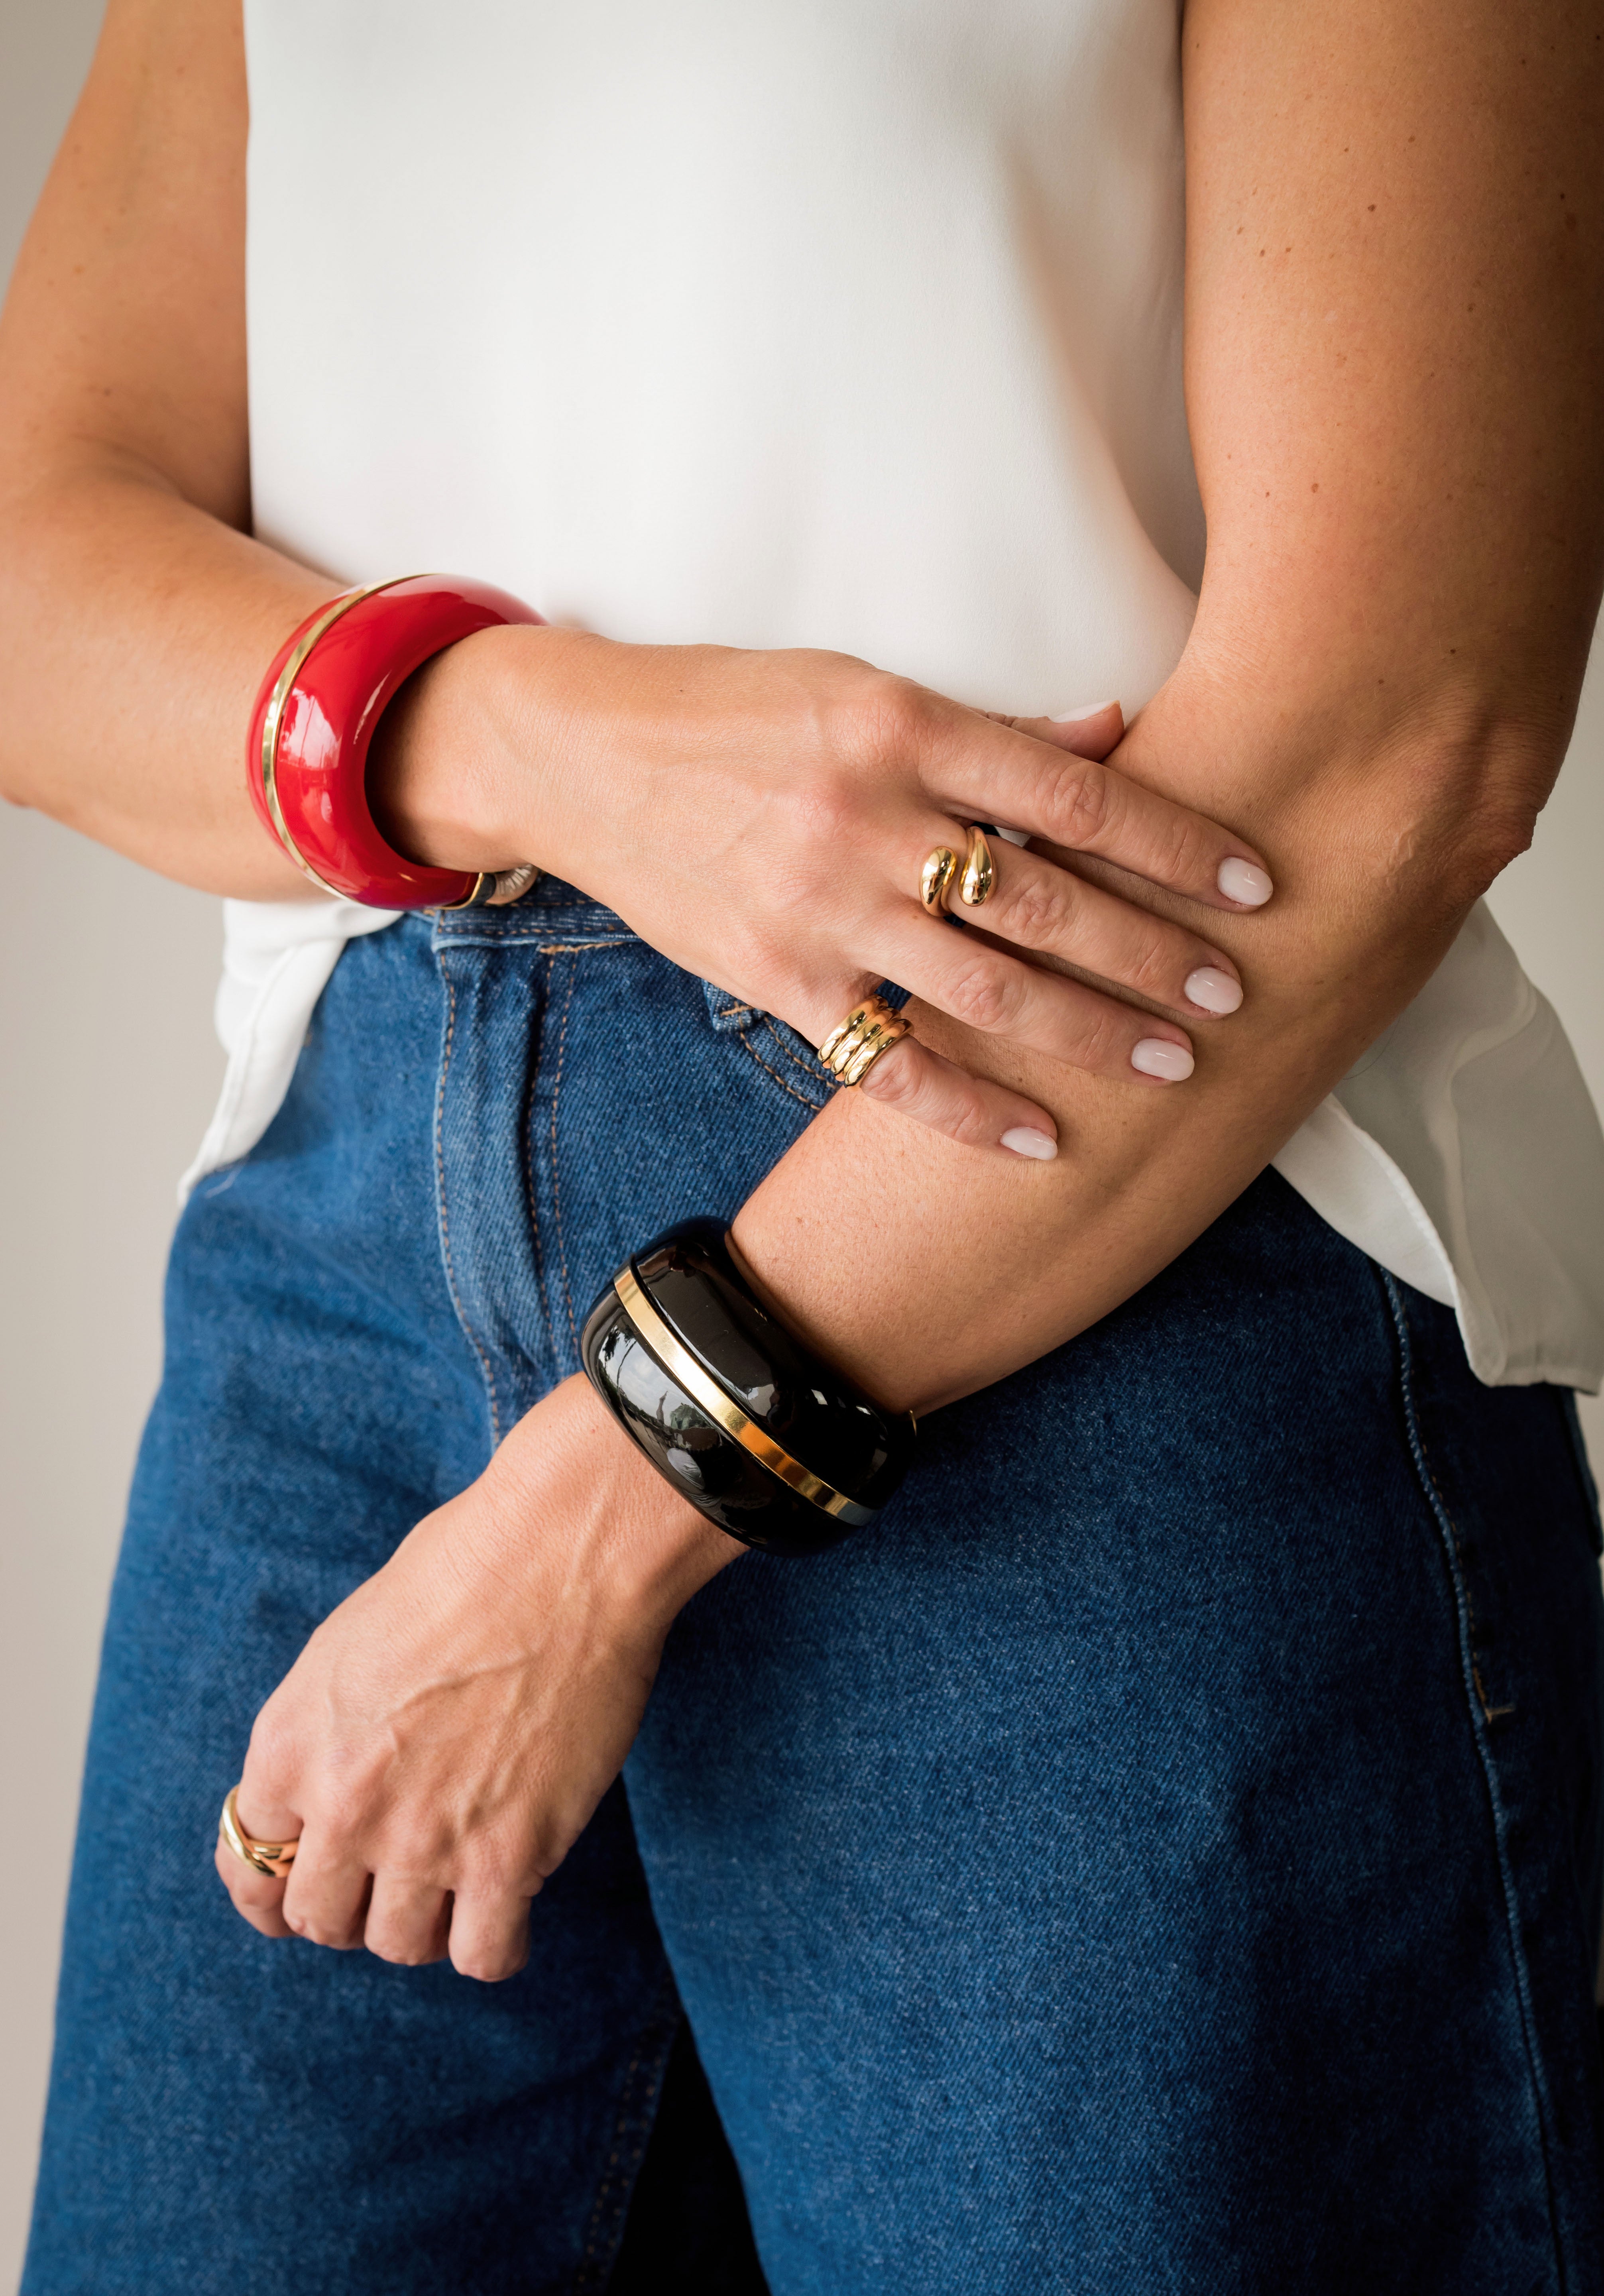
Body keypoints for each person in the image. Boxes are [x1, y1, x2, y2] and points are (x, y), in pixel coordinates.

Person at [4, 0, 1603, 2286]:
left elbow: (1397, 729)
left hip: (1092, 1231)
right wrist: (536, 741)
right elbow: (36, 564)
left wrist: (602, 1505)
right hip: (354, 1255)